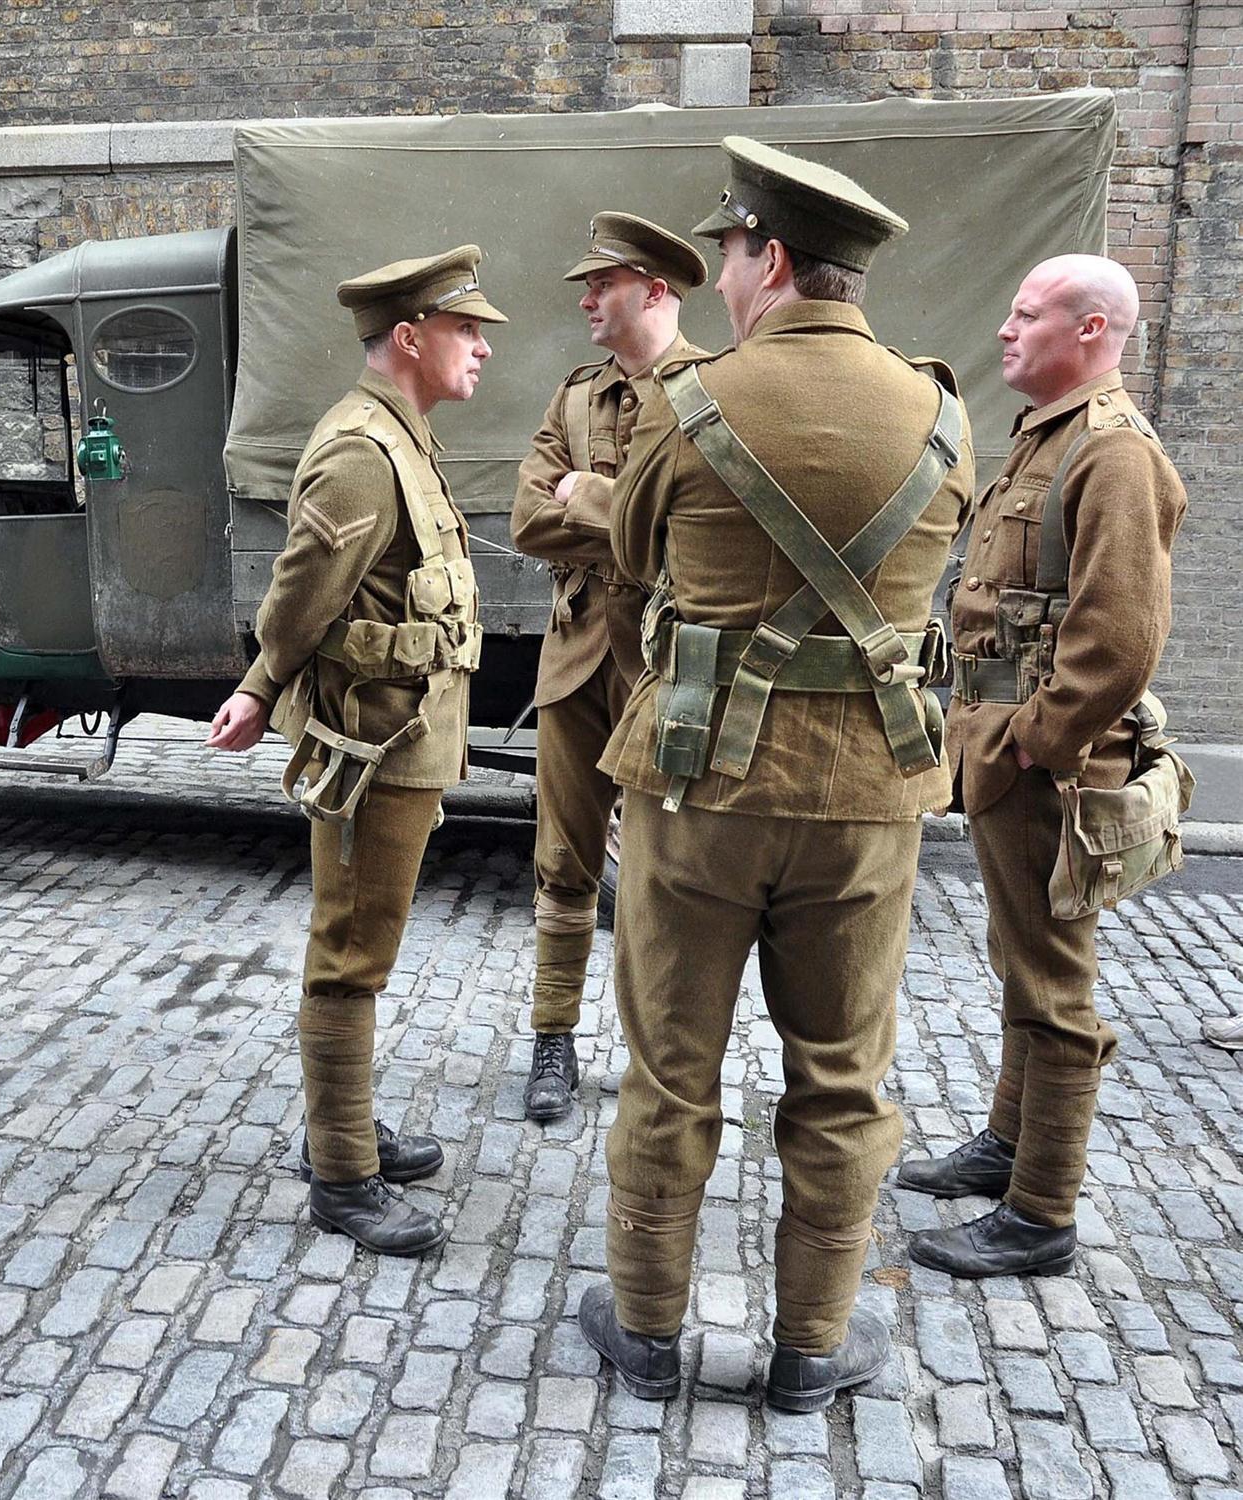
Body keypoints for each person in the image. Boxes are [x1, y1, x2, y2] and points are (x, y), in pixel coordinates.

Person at [575, 136, 975, 1412]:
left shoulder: (692, 404)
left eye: (733, 253)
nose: (726, 279)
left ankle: (644, 1328)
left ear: (774, 257)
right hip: (865, 802)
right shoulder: (945, 415)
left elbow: (631, 552)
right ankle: (809, 1343)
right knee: (843, 1078)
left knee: (670, 1069)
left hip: (699, 791)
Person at [206, 246, 505, 1256]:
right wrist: (257, 688)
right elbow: (299, 597)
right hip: (368, 745)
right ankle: (340, 1172)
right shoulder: (360, 451)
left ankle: (345, 1115)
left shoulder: (401, 438)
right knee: (349, 956)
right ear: (412, 337)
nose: (482, 350)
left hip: (402, 735)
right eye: (468, 331)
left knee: (363, 951)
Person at [901, 255, 1186, 1277]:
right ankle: (1005, 1145)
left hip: (1046, 769)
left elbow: (1117, 638)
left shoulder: (1111, 453)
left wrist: (1034, 741)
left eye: (1026, 316)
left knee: (1055, 987)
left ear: (1093, 327)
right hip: (1006, 757)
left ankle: (1039, 1211)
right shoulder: (1047, 436)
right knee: (1019, 959)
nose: (1003, 332)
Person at [510, 213, 708, 1123]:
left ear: (656, 289)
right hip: (575, 654)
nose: (586, 299)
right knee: (563, 862)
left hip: (668, 665)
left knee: (665, 873)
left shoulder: (710, 394)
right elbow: (525, 521)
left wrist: (587, 496)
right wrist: (627, 516)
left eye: (603, 284)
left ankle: (653, 1058)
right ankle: (553, 1040)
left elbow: (699, 540)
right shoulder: (575, 397)